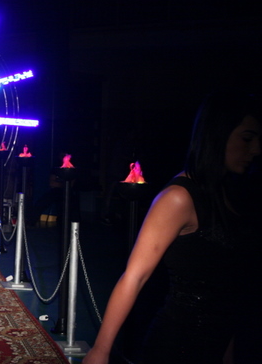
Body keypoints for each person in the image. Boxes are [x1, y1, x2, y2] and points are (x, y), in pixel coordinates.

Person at [83, 91, 261, 364]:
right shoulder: (179, 197)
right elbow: (135, 276)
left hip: (216, 345)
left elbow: (228, 289)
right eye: (247, 138)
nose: (256, 150)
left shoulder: (227, 194)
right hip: (177, 347)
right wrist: (100, 351)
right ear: (218, 134)